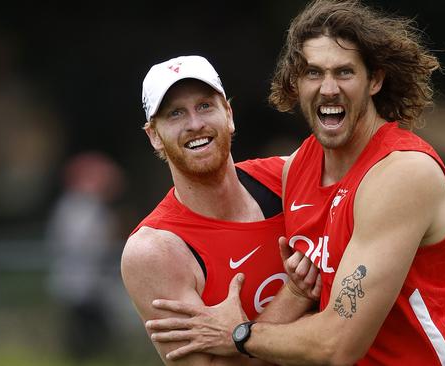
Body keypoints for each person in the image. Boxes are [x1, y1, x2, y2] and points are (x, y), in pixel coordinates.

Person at [146, 1, 445, 365]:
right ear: (296, 83)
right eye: (314, 73)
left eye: (344, 72)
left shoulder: (402, 172)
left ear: (376, 80)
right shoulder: (297, 170)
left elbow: (337, 345)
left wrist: (239, 333)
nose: (329, 88)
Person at [120, 55, 324, 366]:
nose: (195, 124)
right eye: (175, 114)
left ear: (228, 114)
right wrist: (295, 295)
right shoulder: (155, 251)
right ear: (154, 136)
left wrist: (238, 337)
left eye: (205, 106)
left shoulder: (289, 178)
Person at [46, 151, 125, 362]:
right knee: (84, 332)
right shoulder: (80, 207)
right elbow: (84, 243)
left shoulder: (84, 206)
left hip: (90, 282)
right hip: (80, 282)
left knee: (93, 330)